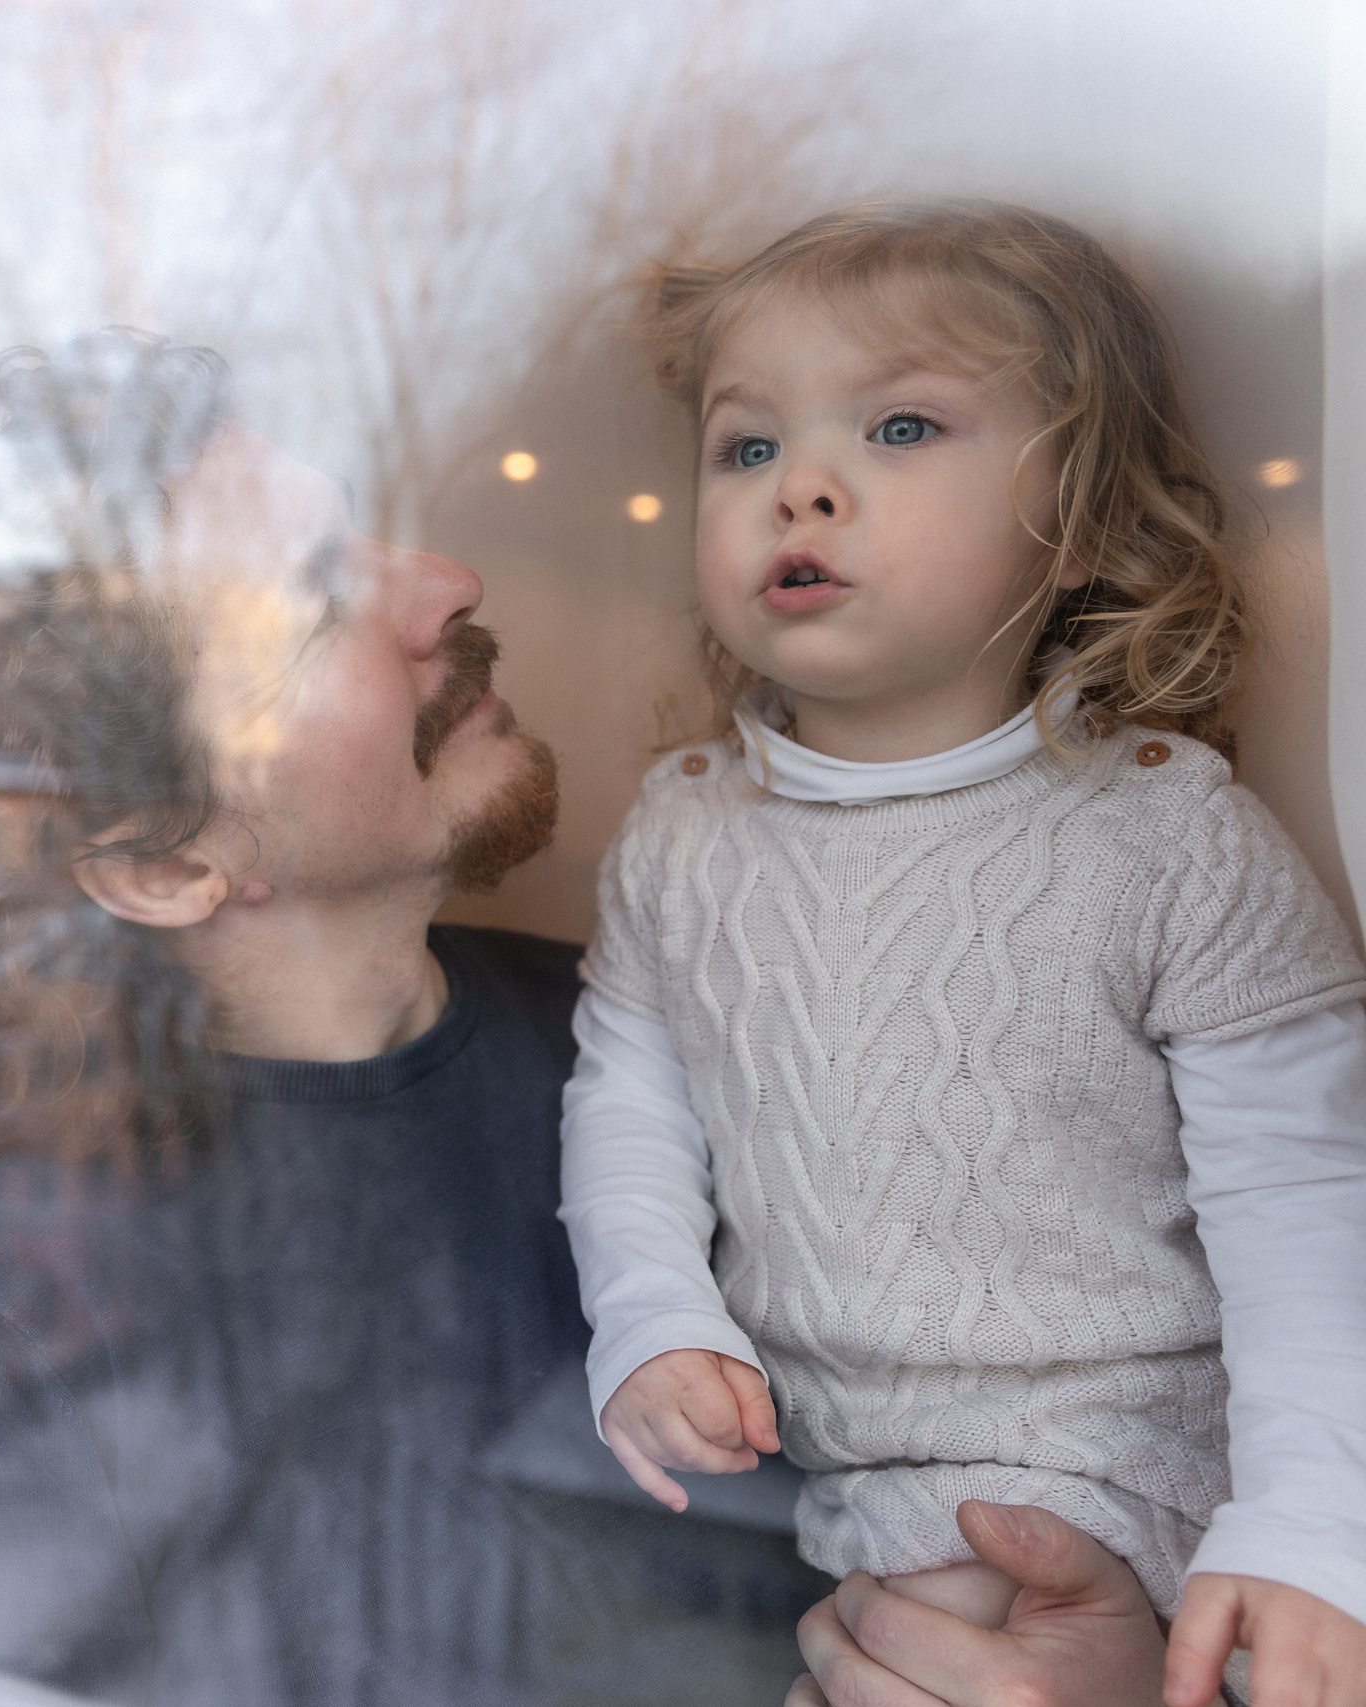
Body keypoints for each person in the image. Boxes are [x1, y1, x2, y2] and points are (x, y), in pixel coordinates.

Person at [0, 329, 1188, 1705]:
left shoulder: (666, 1031)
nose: (446, 584)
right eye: (312, 603)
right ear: (164, 863)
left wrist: (1092, 1658)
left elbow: (998, 1428)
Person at [559, 201, 1366, 1707]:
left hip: (1118, 1474)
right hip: (827, 1473)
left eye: (903, 426)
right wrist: (651, 1317)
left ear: (1093, 523)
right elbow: (629, 1106)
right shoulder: (683, 833)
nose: (799, 487)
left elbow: (1308, 1199)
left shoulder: (1169, 836)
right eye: (747, 449)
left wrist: (1318, 1529)